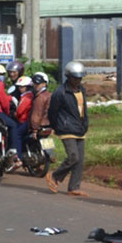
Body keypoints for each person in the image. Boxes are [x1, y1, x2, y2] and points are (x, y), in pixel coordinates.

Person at [47, 61, 89, 197]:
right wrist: (55, 126)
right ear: (68, 76)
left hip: (80, 128)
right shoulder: (60, 92)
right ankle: (54, 176)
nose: (78, 80)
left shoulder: (82, 90)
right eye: (75, 77)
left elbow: (83, 110)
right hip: (66, 128)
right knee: (73, 157)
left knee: (80, 160)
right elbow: (52, 112)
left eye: (80, 77)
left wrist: (85, 124)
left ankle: (73, 187)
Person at [11, 76, 34, 162]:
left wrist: (14, 114)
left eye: (22, 87)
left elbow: (19, 111)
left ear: (27, 87)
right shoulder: (31, 96)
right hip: (28, 121)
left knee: (16, 135)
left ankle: (18, 158)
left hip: (23, 121)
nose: (20, 89)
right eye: (19, 87)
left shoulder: (26, 97)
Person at [29, 72, 53, 139]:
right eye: (35, 83)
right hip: (49, 126)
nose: (36, 86)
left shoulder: (40, 97)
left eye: (38, 84)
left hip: (40, 126)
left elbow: (37, 114)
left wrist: (34, 130)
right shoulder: (50, 95)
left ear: (44, 84)